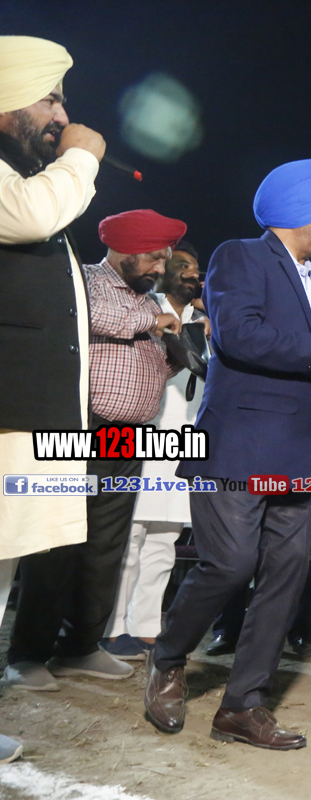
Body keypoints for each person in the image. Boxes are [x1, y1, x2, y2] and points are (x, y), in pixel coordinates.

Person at [146, 159, 311, 751]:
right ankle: (167, 657)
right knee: (228, 565)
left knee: (285, 578)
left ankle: (242, 706)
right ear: (301, 210)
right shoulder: (239, 256)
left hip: (296, 457)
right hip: (237, 449)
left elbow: (300, 357)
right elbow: (240, 336)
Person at [7, 210, 186, 689]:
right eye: (153, 258)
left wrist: (175, 350)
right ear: (125, 250)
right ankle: (27, 655)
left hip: (129, 437)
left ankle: (81, 646)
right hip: (81, 429)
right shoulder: (86, 281)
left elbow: (147, 361)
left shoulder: (148, 301)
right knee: (57, 545)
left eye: (164, 259)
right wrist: (155, 320)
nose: (159, 268)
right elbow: (96, 318)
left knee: (106, 547)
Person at [0, 36, 106, 761]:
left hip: (23, 418)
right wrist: (83, 156)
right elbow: (34, 215)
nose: (63, 117)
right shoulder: (26, 191)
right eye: (50, 98)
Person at [101, 241, 206, 661]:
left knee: (165, 540)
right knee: (129, 538)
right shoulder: (146, 310)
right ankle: (112, 628)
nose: (191, 273)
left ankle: (146, 627)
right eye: (181, 265)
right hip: (143, 436)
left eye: (196, 267)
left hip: (185, 443)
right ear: (161, 271)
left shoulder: (207, 322)